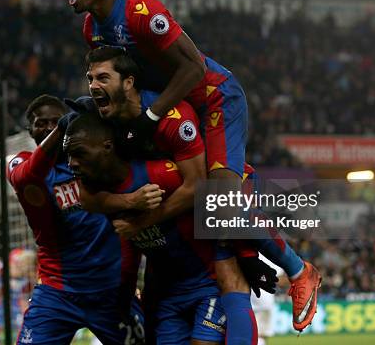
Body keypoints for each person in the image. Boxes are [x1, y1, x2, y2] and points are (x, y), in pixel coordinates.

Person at [65, 0, 321, 332]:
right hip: (176, 115)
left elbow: (194, 69)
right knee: (217, 228)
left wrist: (150, 117)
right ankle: (248, 253)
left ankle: (299, 271)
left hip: (215, 100)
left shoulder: (140, 13)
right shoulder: (91, 30)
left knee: (218, 208)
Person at [65, 112, 263, 344]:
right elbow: (129, 246)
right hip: (168, 296)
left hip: (208, 284)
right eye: (68, 156)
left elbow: (242, 176)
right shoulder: (102, 198)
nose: (71, 164)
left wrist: (247, 253)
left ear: (107, 147)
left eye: (79, 154)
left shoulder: (160, 173)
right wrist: (124, 295)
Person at [7, 95, 143, 344]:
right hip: (57, 292)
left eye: (55, 121)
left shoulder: (98, 160)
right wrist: (62, 127)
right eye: (40, 122)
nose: (47, 126)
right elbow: (25, 177)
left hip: (111, 291)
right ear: (30, 130)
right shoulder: (23, 163)